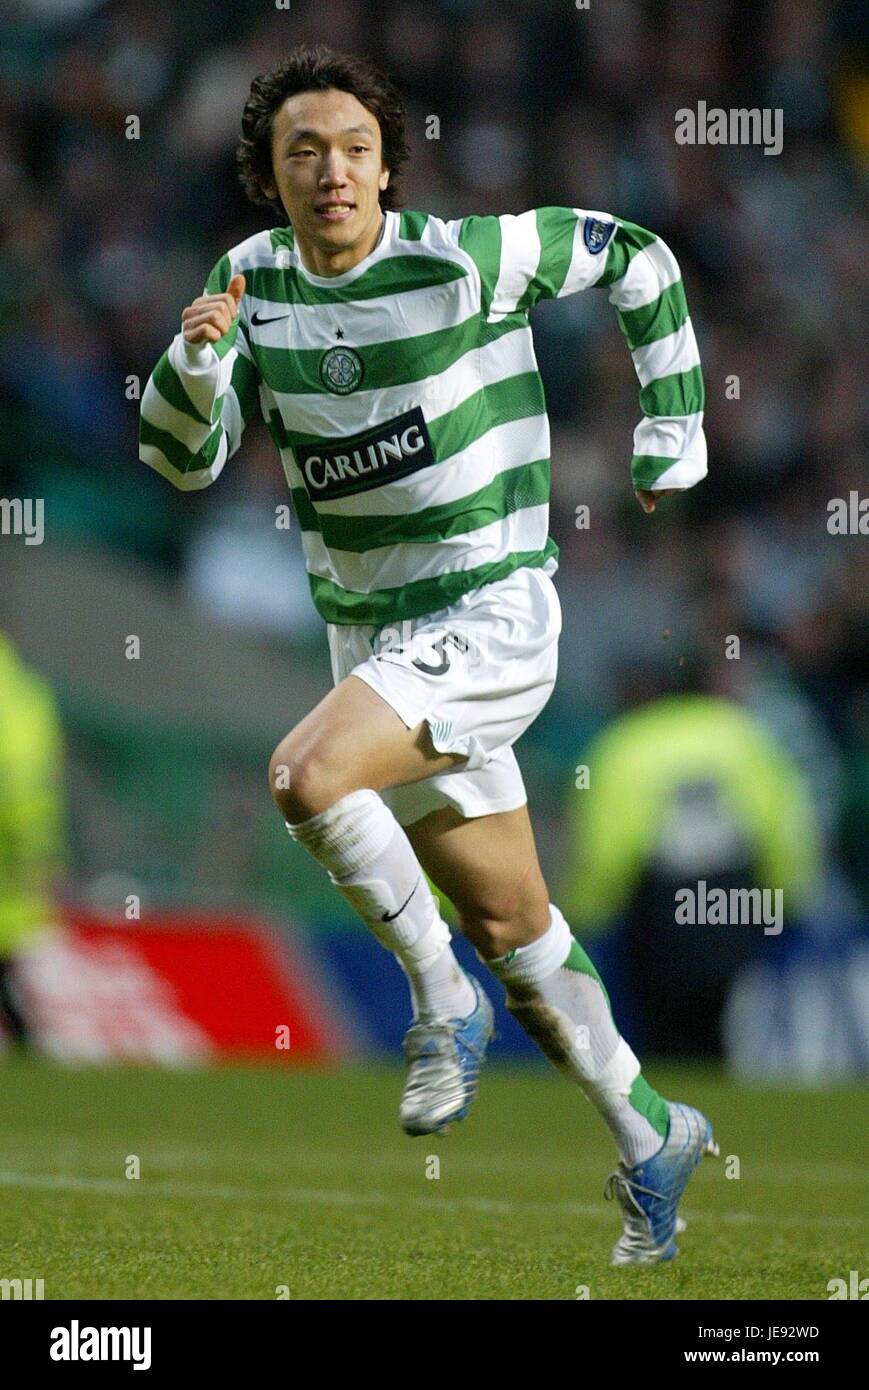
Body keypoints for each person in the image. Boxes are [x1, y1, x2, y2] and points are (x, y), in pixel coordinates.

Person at [139, 43, 715, 1265]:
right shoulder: (247, 282)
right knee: (514, 924)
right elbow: (181, 461)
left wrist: (672, 420)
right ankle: (649, 1133)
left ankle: (433, 1000)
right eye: (304, 151)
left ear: (388, 166)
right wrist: (191, 366)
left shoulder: (461, 258)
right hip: (375, 632)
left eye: (354, 148)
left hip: (490, 610)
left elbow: (632, 252)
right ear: (270, 174)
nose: (332, 171)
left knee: (306, 777)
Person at [0, 632, 68, 1048]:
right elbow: (37, 779)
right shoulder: (28, 692)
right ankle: (27, 1036)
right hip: (23, 842)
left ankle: (27, 1036)